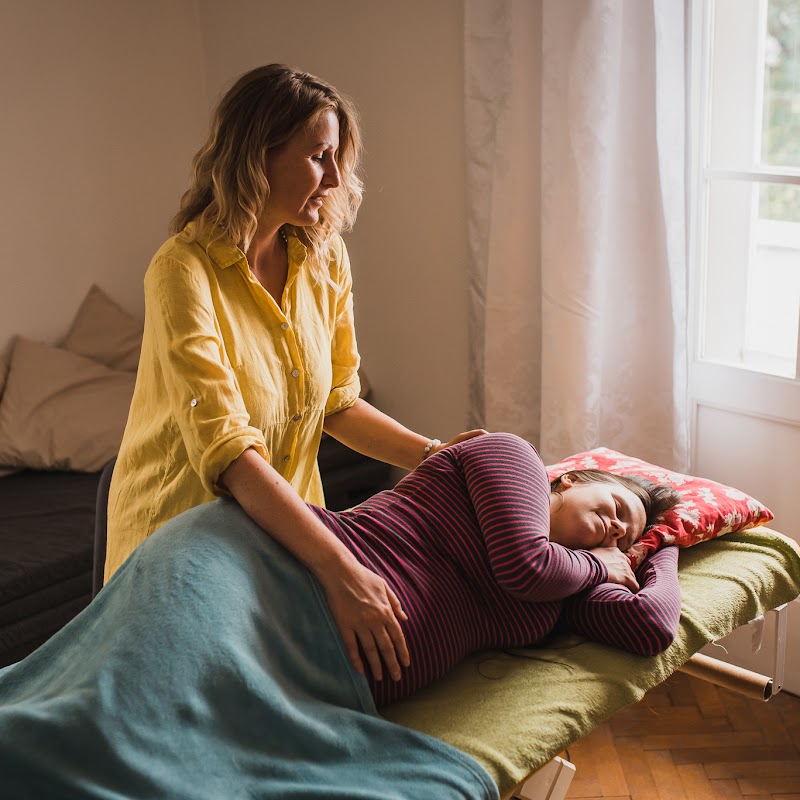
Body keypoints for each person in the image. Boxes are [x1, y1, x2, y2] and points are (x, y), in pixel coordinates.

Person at [104, 64, 485, 679]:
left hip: (285, 534)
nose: (334, 178)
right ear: (257, 158)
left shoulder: (323, 255)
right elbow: (230, 456)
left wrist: (435, 455)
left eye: (337, 158)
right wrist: (340, 568)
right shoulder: (182, 272)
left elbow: (336, 402)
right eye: (317, 157)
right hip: (179, 544)